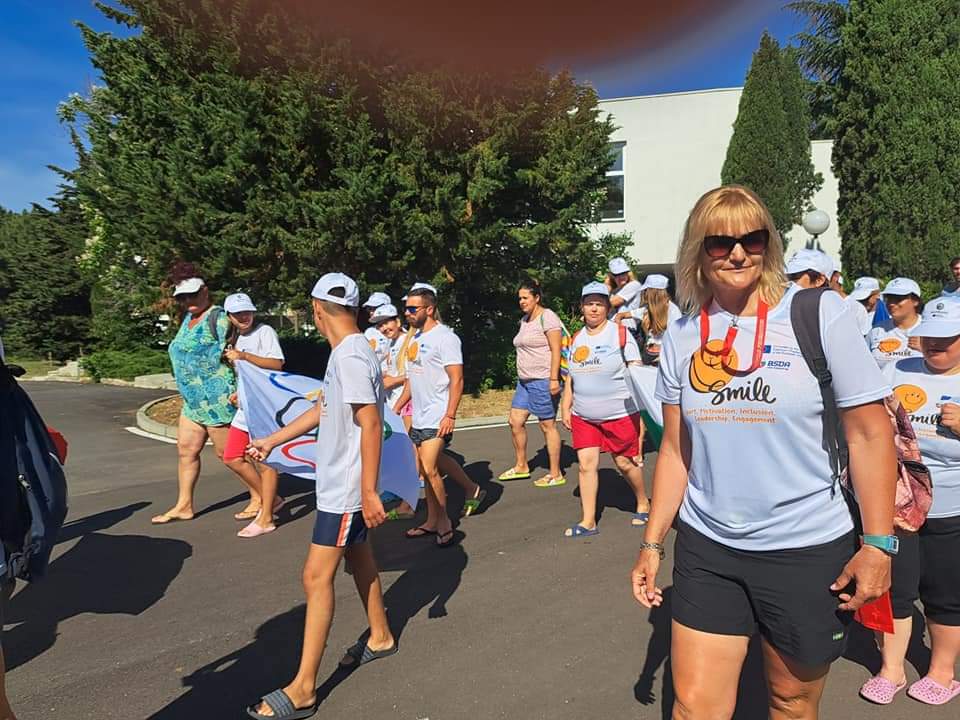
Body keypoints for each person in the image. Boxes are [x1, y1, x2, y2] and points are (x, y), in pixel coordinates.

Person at [631, 185, 897, 720]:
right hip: (709, 547)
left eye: (751, 239)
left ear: (768, 244)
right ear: (697, 249)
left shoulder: (819, 313)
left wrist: (878, 545)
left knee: (791, 701)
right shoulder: (682, 335)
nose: (737, 253)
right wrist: (653, 543)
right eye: (719, 241)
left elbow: (871, 435)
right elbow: (677, 451)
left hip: (805, 547)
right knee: (693, 707)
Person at [245, 273, 396, 719]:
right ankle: (380, 636)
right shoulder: (350, 351)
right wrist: (274, 440)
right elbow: (323, 408)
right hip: (341, 484)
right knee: (359, 558)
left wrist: (367, 491)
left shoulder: (350, 356)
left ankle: (304, 689)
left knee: (315, 577)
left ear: (315, 310)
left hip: (345, 488)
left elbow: (370, 423)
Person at [859, 296, 960, 706]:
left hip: (951, 508)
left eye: (946, 339)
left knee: (944, 595)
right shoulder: (895, 369)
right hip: (898, 505)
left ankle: (942, 673)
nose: (934, 345)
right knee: (895, 590)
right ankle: (891, 669)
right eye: (929, 337)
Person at [152, 274, 249, 525]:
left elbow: (237, 353)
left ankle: (266, 497)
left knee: (229, 455)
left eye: (192, 295)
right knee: (186, 450)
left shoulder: (219, 318)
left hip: (218, 399)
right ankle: (184, 505)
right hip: (193, 401)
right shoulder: (188, 319)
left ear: (205, 291)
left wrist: (242, 389)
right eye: (182, 297)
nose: (188, 301)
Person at [559, 281, 650, 537]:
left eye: (599, 304)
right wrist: (566, 405)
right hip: (584, 415)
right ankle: (588, 521)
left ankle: (642, 501)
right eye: (589, 304)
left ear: (607, 307)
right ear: (582, 307)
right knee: (586, 465)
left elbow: (637, 372)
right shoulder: (577, 338)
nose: (594, 309)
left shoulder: (620, 334)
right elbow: (571, 376)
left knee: (624, 463)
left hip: (619, 413)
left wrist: (643, 415)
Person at [402, 286, 485, 547]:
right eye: (406, 308)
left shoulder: (446, 338)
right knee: (429, 469)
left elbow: (456, 379)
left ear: (429, 309)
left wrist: (450, 415)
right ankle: (432, 520)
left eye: (412, 308)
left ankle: (445, 522)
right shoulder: (414, 339)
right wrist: (397, 408)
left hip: (437, 414)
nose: (407, 313)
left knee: (429, 467)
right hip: (419, 415)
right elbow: (411, 380)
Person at [220, 293, 286, 538]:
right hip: (245, 407)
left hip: (263, 406)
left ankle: (266, 517)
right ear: (229, 316)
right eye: (238, 314)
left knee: (264, 460)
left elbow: (277, 364)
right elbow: (247, 376)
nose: (243, 317)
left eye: (247, 312)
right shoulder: (235, 337)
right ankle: (272, 499)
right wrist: (239, 393)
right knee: (231, 456)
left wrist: (244, 356)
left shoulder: (264, 332)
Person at [499, 281, 565, 487]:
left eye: (525, 297)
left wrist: (553, 379)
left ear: (537, 298)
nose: (521, 301)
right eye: (520, 298)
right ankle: (521, 466)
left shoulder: (548, 317)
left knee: (547, 425)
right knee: (515, 421)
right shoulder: (525, 320)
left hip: (543, 379)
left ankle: (556, 473)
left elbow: (556, 350)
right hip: (525, 382)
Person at [370, 302, 416, 519]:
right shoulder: (391, 343)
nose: (383, 328)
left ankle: (408, 503)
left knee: (411, 453)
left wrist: (397, 404)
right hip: (394, 404)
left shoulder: (409, 342)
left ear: (397, 321)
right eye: (379, 325)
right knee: (408, 453)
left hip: (408, 404)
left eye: (386, 322)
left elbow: (412, 376)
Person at [615, 273, 682, 366]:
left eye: (646, 290)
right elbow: (620, 315)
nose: (643, 293)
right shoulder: (646, 310)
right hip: (648, 354)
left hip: (665, 357)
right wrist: (620, 328)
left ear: (652, 292)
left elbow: (677, 338)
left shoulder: (673, 311)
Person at [869, 278, 924, 368]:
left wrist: (927, 350)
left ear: (915, 301)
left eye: (898, 299)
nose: (891, 303)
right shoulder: (877, 330)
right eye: (888, 298)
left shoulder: (930, 329)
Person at [606, 257, 645, 337]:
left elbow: (608, 303)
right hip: (611, 329)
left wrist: (606, 286)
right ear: (611, 276)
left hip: (628, 330)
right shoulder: (613, 291)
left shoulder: (634, 285)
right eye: (617, 274)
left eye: (623, 273)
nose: (621, 277)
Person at [362, 292, 392, 363]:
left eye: (375, 308)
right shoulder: (369, 332)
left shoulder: (398, 332)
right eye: (369, 308)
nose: (371, 312)